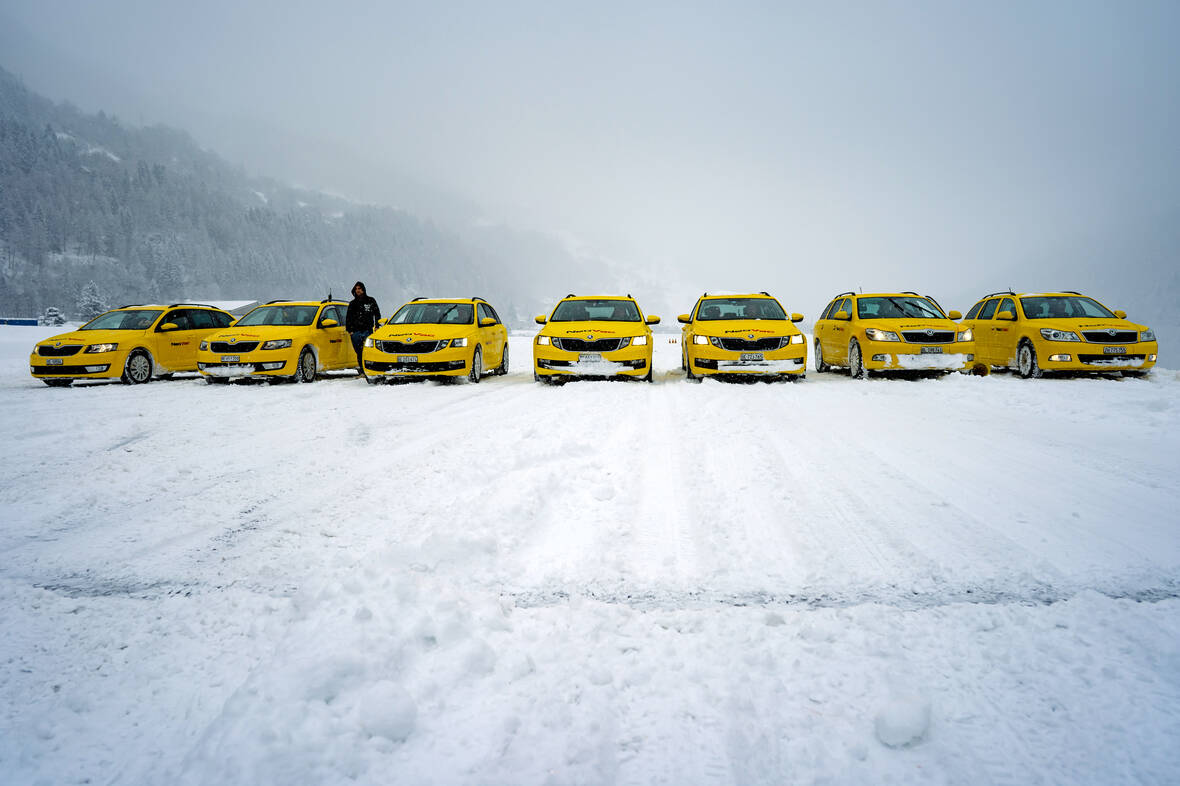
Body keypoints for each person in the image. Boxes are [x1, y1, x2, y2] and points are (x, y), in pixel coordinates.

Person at [345, 281, 381, 373]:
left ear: (363, 289)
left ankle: (369, 369)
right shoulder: (352, 303)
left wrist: (377, 325)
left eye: (359, 288)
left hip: (367, 330)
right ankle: (362, 369)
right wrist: (350, 331)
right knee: (359, 351)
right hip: (355, 332)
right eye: (356, 289)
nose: (358, 290)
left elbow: (377, 313)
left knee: (368, 351)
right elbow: (348, 318)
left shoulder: (370, 301)